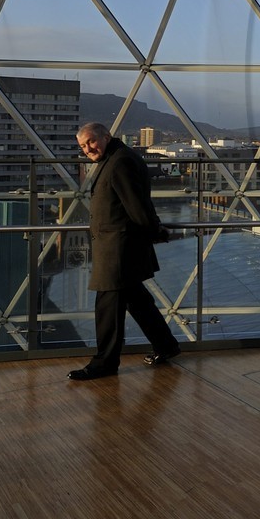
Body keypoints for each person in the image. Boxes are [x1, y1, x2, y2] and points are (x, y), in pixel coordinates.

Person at [67, 121, 181, 380]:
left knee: (107, 307)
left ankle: (104, 363)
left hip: (118, 248)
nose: (87, 149)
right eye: (83, 146)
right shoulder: (117, 157)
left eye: (91, 142)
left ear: (106, 136)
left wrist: (156, 232)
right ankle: (166, 345)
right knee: (137, 301)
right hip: (119, 245)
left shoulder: (120, 162)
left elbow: (136, 206)